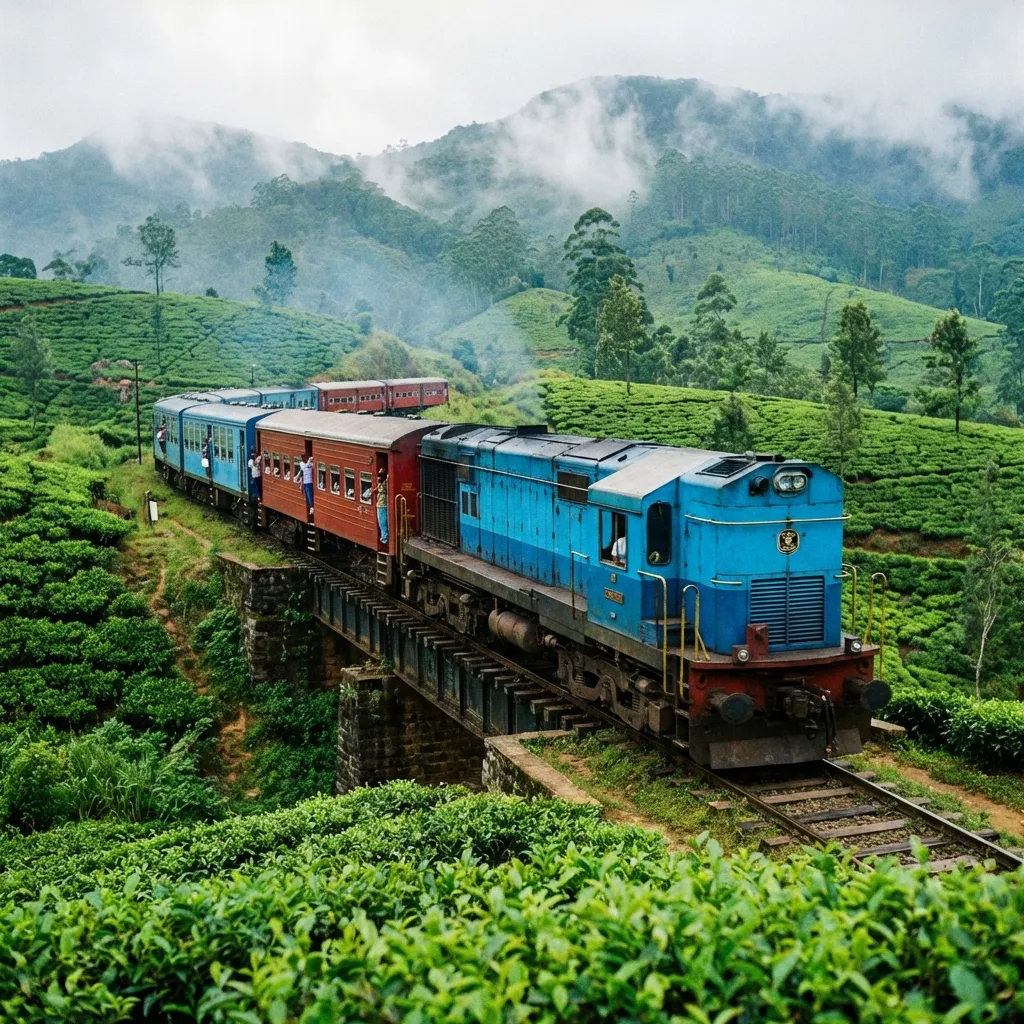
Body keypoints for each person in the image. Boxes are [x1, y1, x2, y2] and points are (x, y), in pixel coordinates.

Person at [376, 468, 389, 545]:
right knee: (382, 522)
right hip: (381, 503)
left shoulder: (385, 482)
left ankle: (385, 538)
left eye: (380, 476)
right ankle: (384, 537)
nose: (378, 478)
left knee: (382, 522)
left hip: (382, 504)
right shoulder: (383, 482)